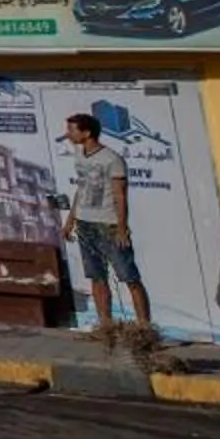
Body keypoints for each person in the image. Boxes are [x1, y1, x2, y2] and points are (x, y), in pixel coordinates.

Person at [61, 111, 149, 332]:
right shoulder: (79, 155)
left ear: (87, 132)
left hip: (107, 225)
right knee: (96, 277)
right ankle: (105, 326)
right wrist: (70, 220)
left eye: (72, 129)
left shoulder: (112, 159)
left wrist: (121, 227)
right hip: (85, 223)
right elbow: (81, 188)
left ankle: (144, 327)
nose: (68, 134)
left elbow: (120, 195)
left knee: (129, 277)